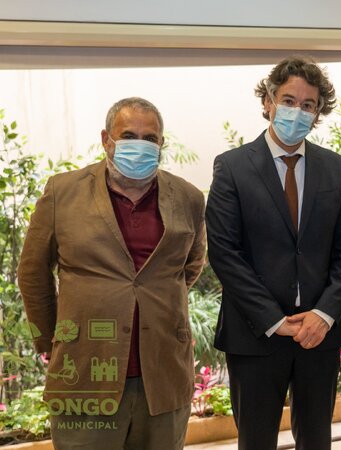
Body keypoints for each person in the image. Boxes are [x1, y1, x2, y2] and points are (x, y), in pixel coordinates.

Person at [18, 97, 207, 449]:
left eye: (150, 138)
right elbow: (32, 272)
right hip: (85, 372)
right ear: (107, 139)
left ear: (161, 144)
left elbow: (190, 266)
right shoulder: (63, 191)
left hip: (163, 376)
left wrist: (153, 298)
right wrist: (50, 340)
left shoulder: (189, 198)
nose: (140, 145)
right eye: (129, 135)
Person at [206, 56, 341, 450]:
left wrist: (324, 314)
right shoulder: (232, 167)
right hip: (255, 334)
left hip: (318, 334)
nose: (297, 111)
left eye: (308, 105)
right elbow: (224, 252)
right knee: (256, 441)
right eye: (289, 100)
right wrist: (274, 320)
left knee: (317, 440)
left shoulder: (334, 167)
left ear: (318, 113)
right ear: (269, 101)